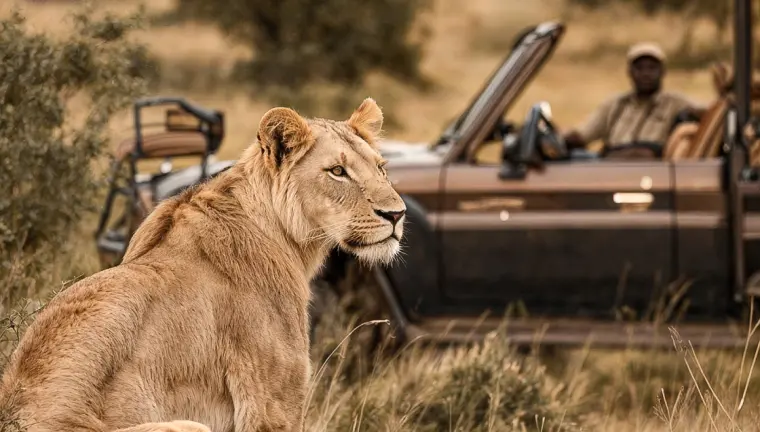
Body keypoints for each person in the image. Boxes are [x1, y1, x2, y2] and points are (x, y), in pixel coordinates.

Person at [563, 42, 704, 157]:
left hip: (652, 166)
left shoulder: (675, 103)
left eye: (652, 68)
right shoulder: (615, 104)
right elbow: (584, 134)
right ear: (630, 72)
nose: (646, 74)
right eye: (640, 68)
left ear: (662, 71)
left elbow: (708, 113)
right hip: (612, 162)